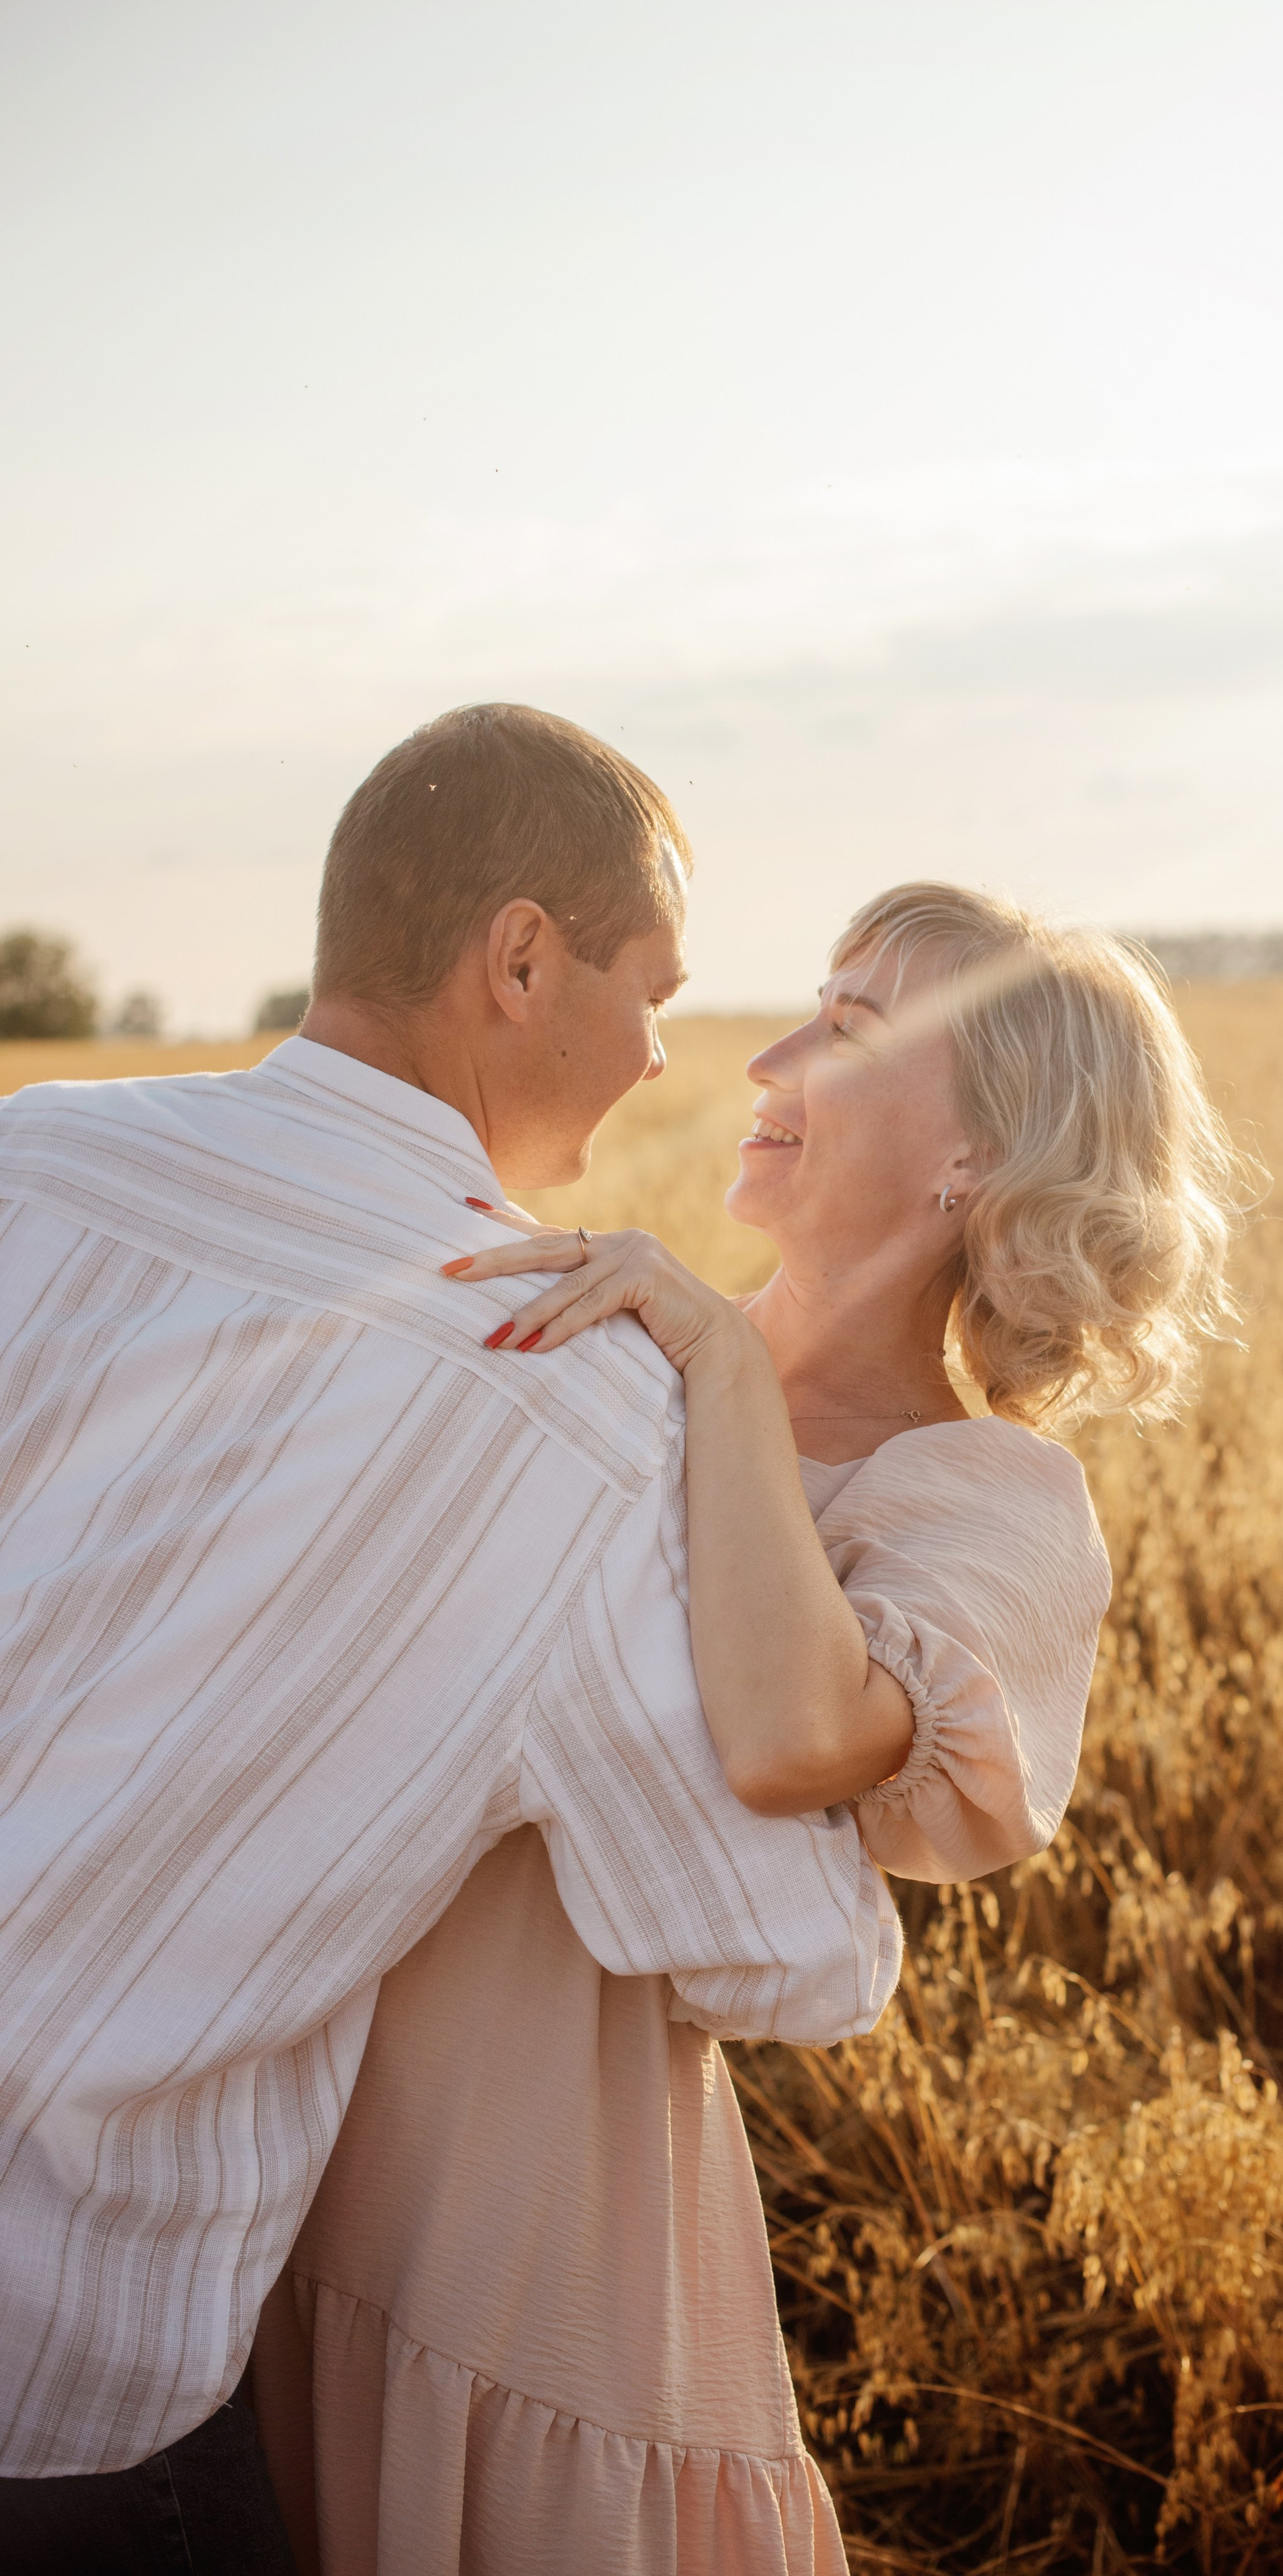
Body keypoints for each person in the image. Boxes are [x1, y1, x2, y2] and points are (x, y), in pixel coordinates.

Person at [0, 705, 904, 2573]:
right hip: (67, 2374)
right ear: (519, 959)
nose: (670, 1049)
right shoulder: (567, 1399)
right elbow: (788, 1956)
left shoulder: (30, 1166)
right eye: (654, 986)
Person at [253, 883, 1243, 2573]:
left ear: (978, 1159)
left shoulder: (985, 1502)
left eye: (847, 1033)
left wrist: (714, 1355)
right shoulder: (588, 1346)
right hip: (274, 2118)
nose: (767, 1057)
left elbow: (795, 1737)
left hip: (536, 2201)